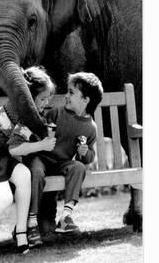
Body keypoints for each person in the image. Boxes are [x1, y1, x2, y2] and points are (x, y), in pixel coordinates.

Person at [0, 66, 56, 262]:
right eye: (42, 99)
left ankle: (21, 232)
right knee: (4, 198)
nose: (46, 103)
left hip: (1, 156)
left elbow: (11, 148)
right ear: (29, 97)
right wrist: (42, 145)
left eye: (48, 98)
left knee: (24, 175)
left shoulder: (23, 109)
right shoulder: (23, 113)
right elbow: (15, 149)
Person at [26, 72, 103, 245]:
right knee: (35, 173)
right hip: (43, 158)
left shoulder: (90, 128)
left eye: (71, 93)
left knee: (78, 167)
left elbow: (89, 157)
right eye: (67, 92)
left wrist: (84, 153)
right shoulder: (56, 113)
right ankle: (31, 222)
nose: (66, 96)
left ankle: (66, 217)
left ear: (85, 100)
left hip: (62, 163)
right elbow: (37, 133)